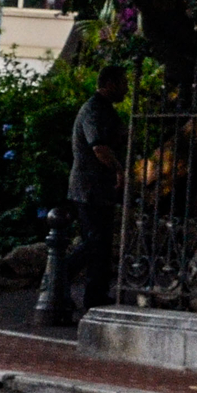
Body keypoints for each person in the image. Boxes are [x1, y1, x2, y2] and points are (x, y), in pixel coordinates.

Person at [64, 63, 130, 312]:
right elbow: (98, 147)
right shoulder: (93, 110)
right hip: (89, 187)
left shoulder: (105, 110)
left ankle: (95, 294)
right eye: (123, 83)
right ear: (110, 83)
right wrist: (119, 170)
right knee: (94, 241)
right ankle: (58, 277)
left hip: (98, 187)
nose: (126, 88)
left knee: (100, 243)